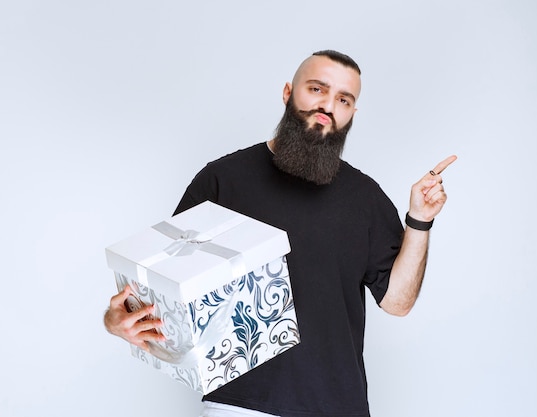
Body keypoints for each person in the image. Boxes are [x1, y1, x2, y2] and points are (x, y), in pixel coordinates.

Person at [104, 49, 456, 417]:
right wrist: (118, 321)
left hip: (337, 407)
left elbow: (397, 302)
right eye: (317, 89)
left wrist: (419, 219)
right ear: (288, 92)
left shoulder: (365, 198)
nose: (328, 105)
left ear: (352, 113)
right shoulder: (223, 180)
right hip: (237, 406)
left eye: (343, 99)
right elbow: (166, 287)